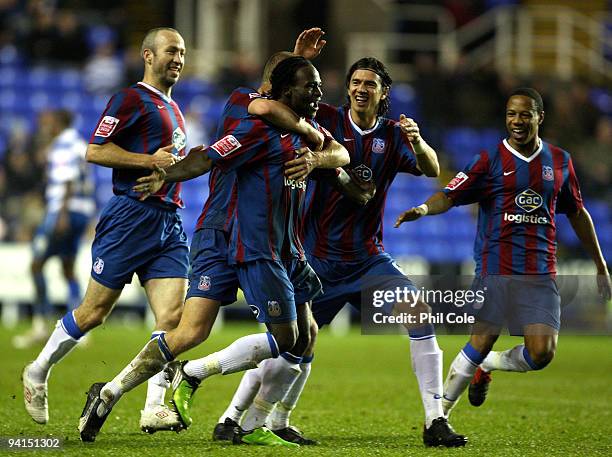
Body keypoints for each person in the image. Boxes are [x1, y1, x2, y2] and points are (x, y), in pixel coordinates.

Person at [76, 56, 351, 445]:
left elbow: (342, 154)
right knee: (281, 337)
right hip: (252, 245)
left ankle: (112, 393)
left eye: (318, 85)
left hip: (283, 246)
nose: (319, 93)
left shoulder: (308, 131)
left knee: (297, 332)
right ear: (283, 88)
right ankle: (186, 377)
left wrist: (316, 157)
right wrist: (165, 174)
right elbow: (207, 156)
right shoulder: (253, 120)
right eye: (310, 86)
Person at [215, 54, 467, 448]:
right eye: (355, 82)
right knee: (289, 344)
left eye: (370, 84)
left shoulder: (394, 134)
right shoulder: (325, 118)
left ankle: (435, 420)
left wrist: (418, 142)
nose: (360, 89)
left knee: (420, 314)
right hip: (316, 258)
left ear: (384, 93)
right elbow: (271, 102)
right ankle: (232, 416)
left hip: (368, 259)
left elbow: (433, 168)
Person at [394, 87, 612, 426]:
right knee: (481, 338)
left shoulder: (560, 161)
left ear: (540, 117)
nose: (517, 121)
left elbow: (577, 213)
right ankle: (438, 418)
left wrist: (600, 264)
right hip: (496, 266)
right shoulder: (489, 160)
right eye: (511, 114)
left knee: (541, 354)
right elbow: (451, 195)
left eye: (525, 114)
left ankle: (488, 365)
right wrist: (422, 208)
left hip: (540, 272)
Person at [22, 27, 195, 433]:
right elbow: (95, 150)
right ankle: (37, 370)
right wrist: (147, 160)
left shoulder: (174, 107)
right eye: (171, 51)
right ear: (148, 55)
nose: (179, 59)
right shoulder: (130, 98)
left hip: (168, 221)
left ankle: (153, 406)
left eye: (183, 53)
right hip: (130, 218)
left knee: (172, 317)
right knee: (94, 313)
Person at [12, 110, 95, 350]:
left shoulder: (62, 145)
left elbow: (67, 179)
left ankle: (41, 324)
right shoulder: (79, 144)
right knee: (68, 268)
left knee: (36, 264)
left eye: (48, 123)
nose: (45, 127)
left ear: (58, 123)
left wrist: (61, 214)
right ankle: (81, 330)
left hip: (63, 212)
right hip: (81, 211)